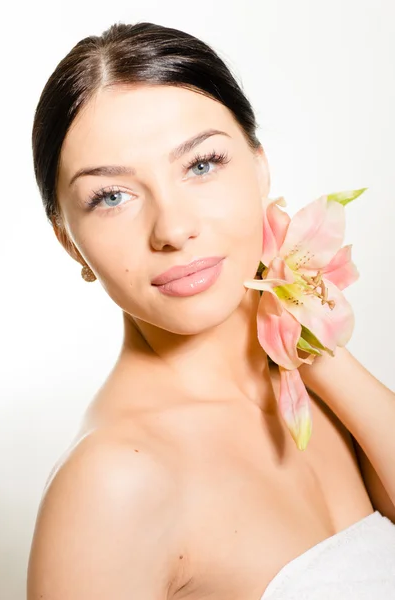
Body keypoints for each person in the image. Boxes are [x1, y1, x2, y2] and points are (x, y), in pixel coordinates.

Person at [27, 21, 395, 600]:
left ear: (259, 167)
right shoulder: (111, 485)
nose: (173, 229)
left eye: (201, 165)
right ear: (70, 242)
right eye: (111, 196)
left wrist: (315, 342)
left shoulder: (311, 385)